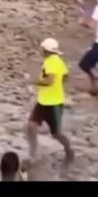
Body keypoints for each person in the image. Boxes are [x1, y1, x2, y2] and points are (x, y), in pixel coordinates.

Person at [26, 38, 75, 166]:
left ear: (46, 50)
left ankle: (69, 151)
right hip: (44, 101)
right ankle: (32, 155)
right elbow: (65, 76)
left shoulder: (51, 63)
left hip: (53, 104)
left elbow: (49, 81)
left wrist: (33, 81)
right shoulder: (58, 61)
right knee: (31, 126)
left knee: (56, 133)